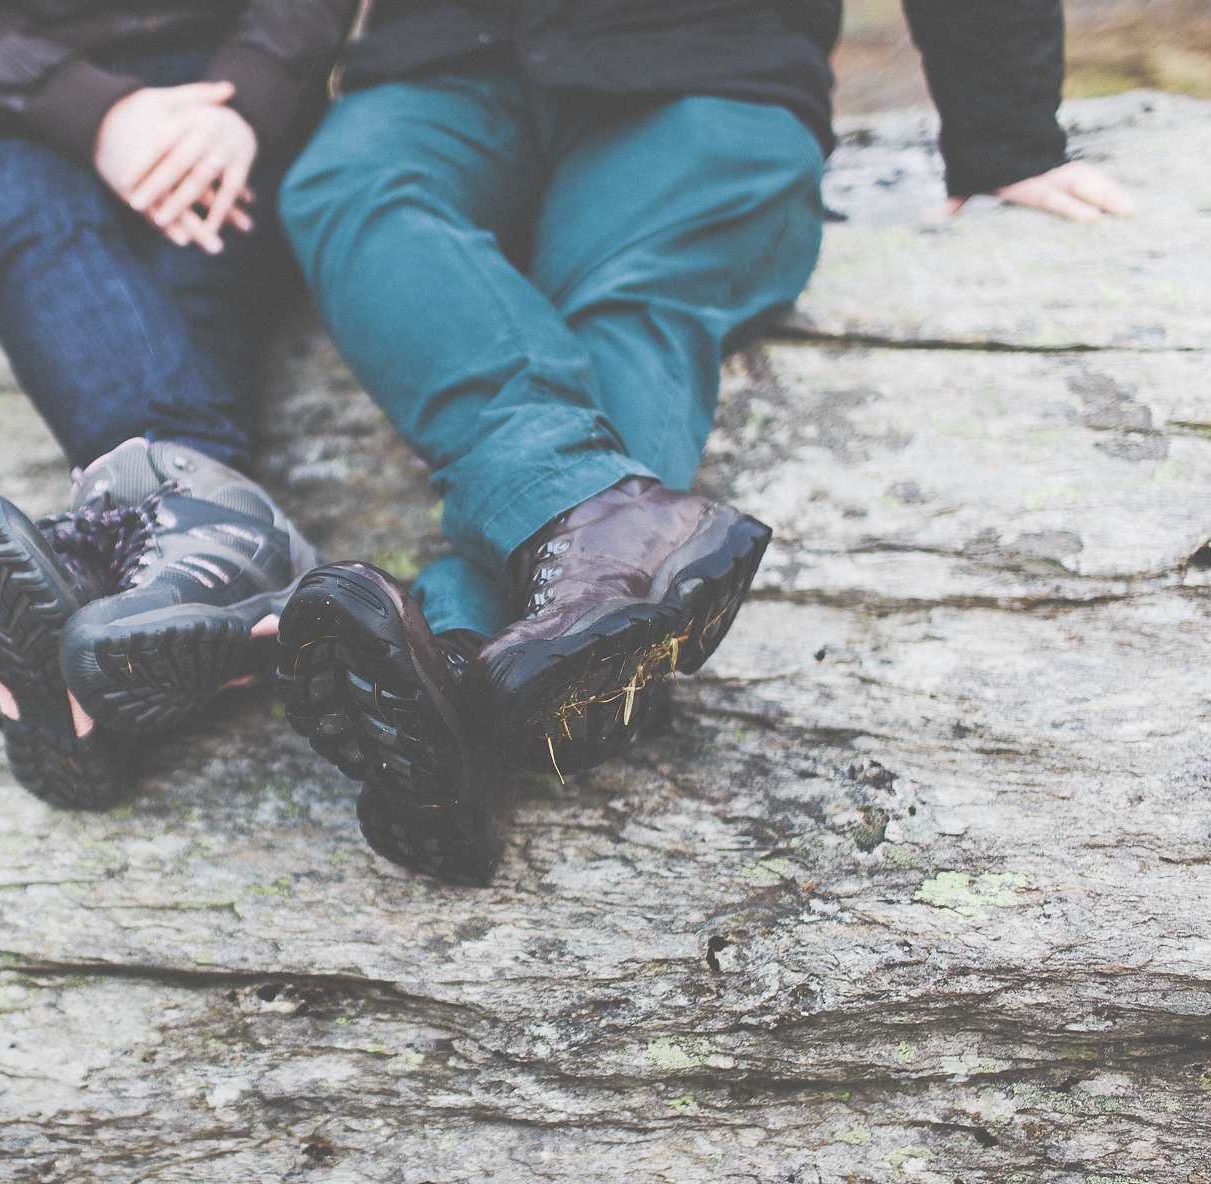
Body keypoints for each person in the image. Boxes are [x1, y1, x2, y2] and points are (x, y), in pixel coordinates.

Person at [272, 0, 1134, 883]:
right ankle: (574, 580)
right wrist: (224, 107)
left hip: (711, 63)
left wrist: (1004, 138)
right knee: (349, 184)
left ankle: (458, 671)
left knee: (626, 303)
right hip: (444, 62)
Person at [0, 0, 354, 807]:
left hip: (231, 88)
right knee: (36, 225)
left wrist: (247, 93)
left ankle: (93, 585)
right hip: (18, 99)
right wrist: (89, 109)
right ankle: (202, 551)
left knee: (196, 257)